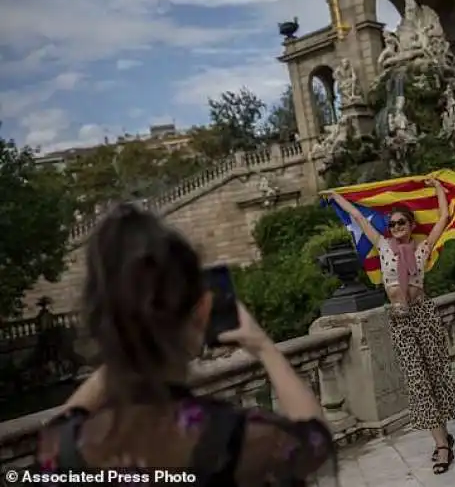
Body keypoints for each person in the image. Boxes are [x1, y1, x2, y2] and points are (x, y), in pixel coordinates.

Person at [34, 204, 334, 486]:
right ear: (202, 311)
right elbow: (315, 440)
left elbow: (66, 416)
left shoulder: (65, 449)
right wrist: (264, 348)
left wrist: (128, 343)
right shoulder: (235, 440)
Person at [325, 178, 455, 474]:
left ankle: (443, 435)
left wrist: (437, 185)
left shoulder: (422, 249)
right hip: (400, 318)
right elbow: (358, 217)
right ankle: (442, 446)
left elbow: (444, 217)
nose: (396, 227)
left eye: (401, 223)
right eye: (392, 224)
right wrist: (337, 195)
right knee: (417, 381)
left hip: (423, 315)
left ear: (410, 226)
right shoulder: (383, 246)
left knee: (434, 375)